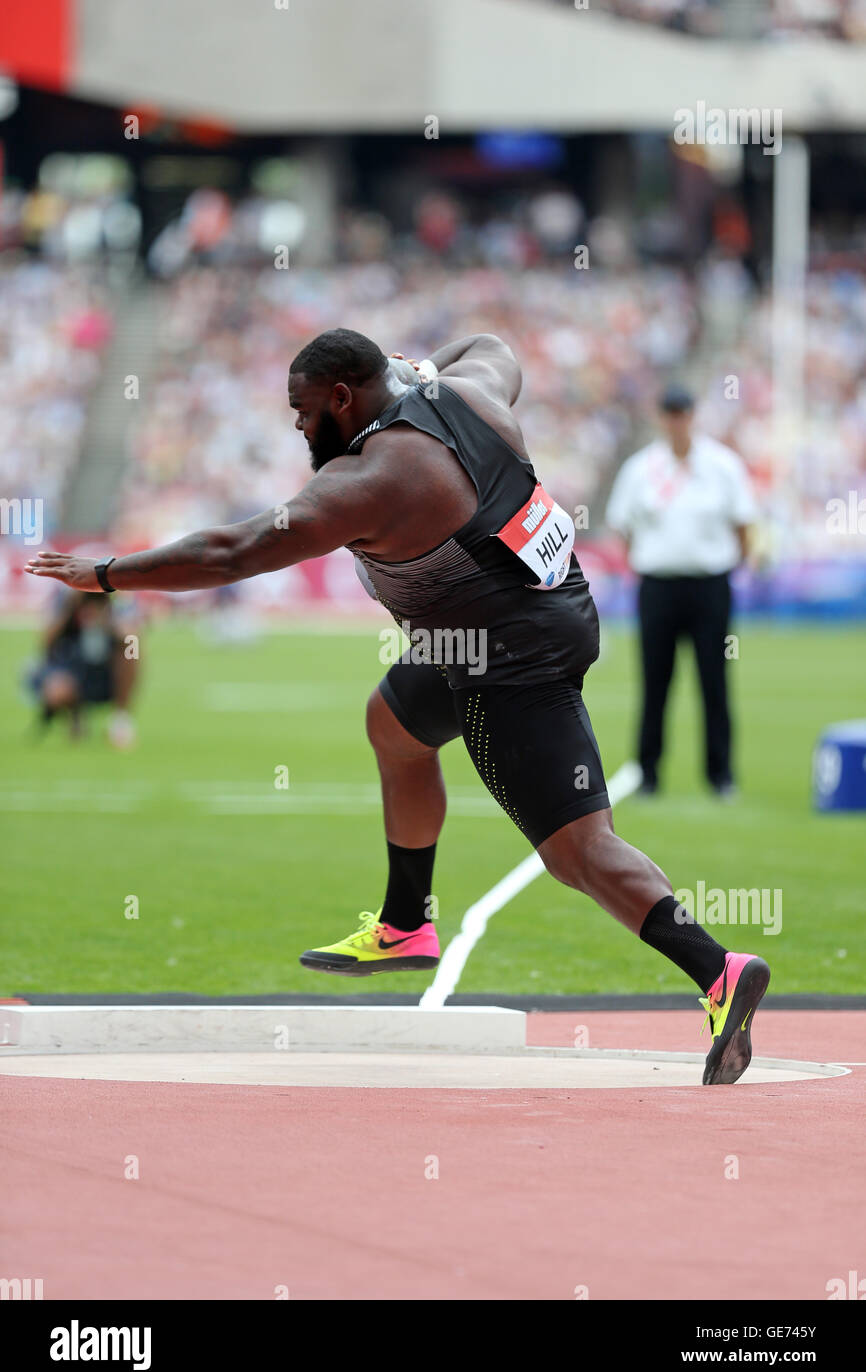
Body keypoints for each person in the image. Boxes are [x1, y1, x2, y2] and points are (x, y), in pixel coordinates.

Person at [26, 329, 769, 1084]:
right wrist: (423, 366)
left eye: (303, 410)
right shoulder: (472, 389)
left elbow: (231, 552)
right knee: (395, 725)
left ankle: (716, 968)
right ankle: (407, 922)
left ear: (344, 399)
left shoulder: (374, 480)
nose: (297, 427)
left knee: (576, 851)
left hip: (507, 658)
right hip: (513, 621)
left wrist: (106, 575)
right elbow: (492, 342)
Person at [606, 385, 757, 798]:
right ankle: (647, 775)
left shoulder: (723, 465)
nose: (677, 421)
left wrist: (729, 566)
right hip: (658, 587)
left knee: (715, 681)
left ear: (693, 415)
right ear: (662, 417)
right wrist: (647, 561)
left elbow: (744, 524)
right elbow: (622, 527)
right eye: (670, 413)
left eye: (683, 413)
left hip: (710, 586)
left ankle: (721, 775)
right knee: (655, 683)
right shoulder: (641, 469)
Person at [27, 590, 138, 747]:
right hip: (70, 668)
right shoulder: (65, 597)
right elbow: (45, 643)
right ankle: (74, 718)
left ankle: (120, 719)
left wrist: (107, 621)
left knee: (132, 654)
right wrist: (71, 609)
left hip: (105, 672)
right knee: (59, 690)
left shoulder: (119, 598)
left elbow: (133, 638)